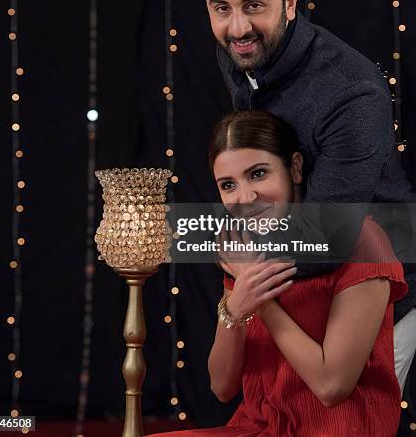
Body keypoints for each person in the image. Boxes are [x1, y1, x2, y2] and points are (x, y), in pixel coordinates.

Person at [193, 0, 416, 392]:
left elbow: (331, 235)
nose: (237, 27)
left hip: (378, 286)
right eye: (221, 8)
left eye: (255, 5)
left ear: (291, 1)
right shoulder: (238, 49)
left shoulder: (352, 92)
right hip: (298, 278)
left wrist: (239, 256)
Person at [146, 110, 408, 436]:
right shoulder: (245, 245)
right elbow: (222, 387)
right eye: (228, 185)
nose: (245, 198)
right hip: (259, 427)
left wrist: (259, 298)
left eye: (258, 174)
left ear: (294, 168)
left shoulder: (362, 240)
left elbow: (331, 386)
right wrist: (233, 310)